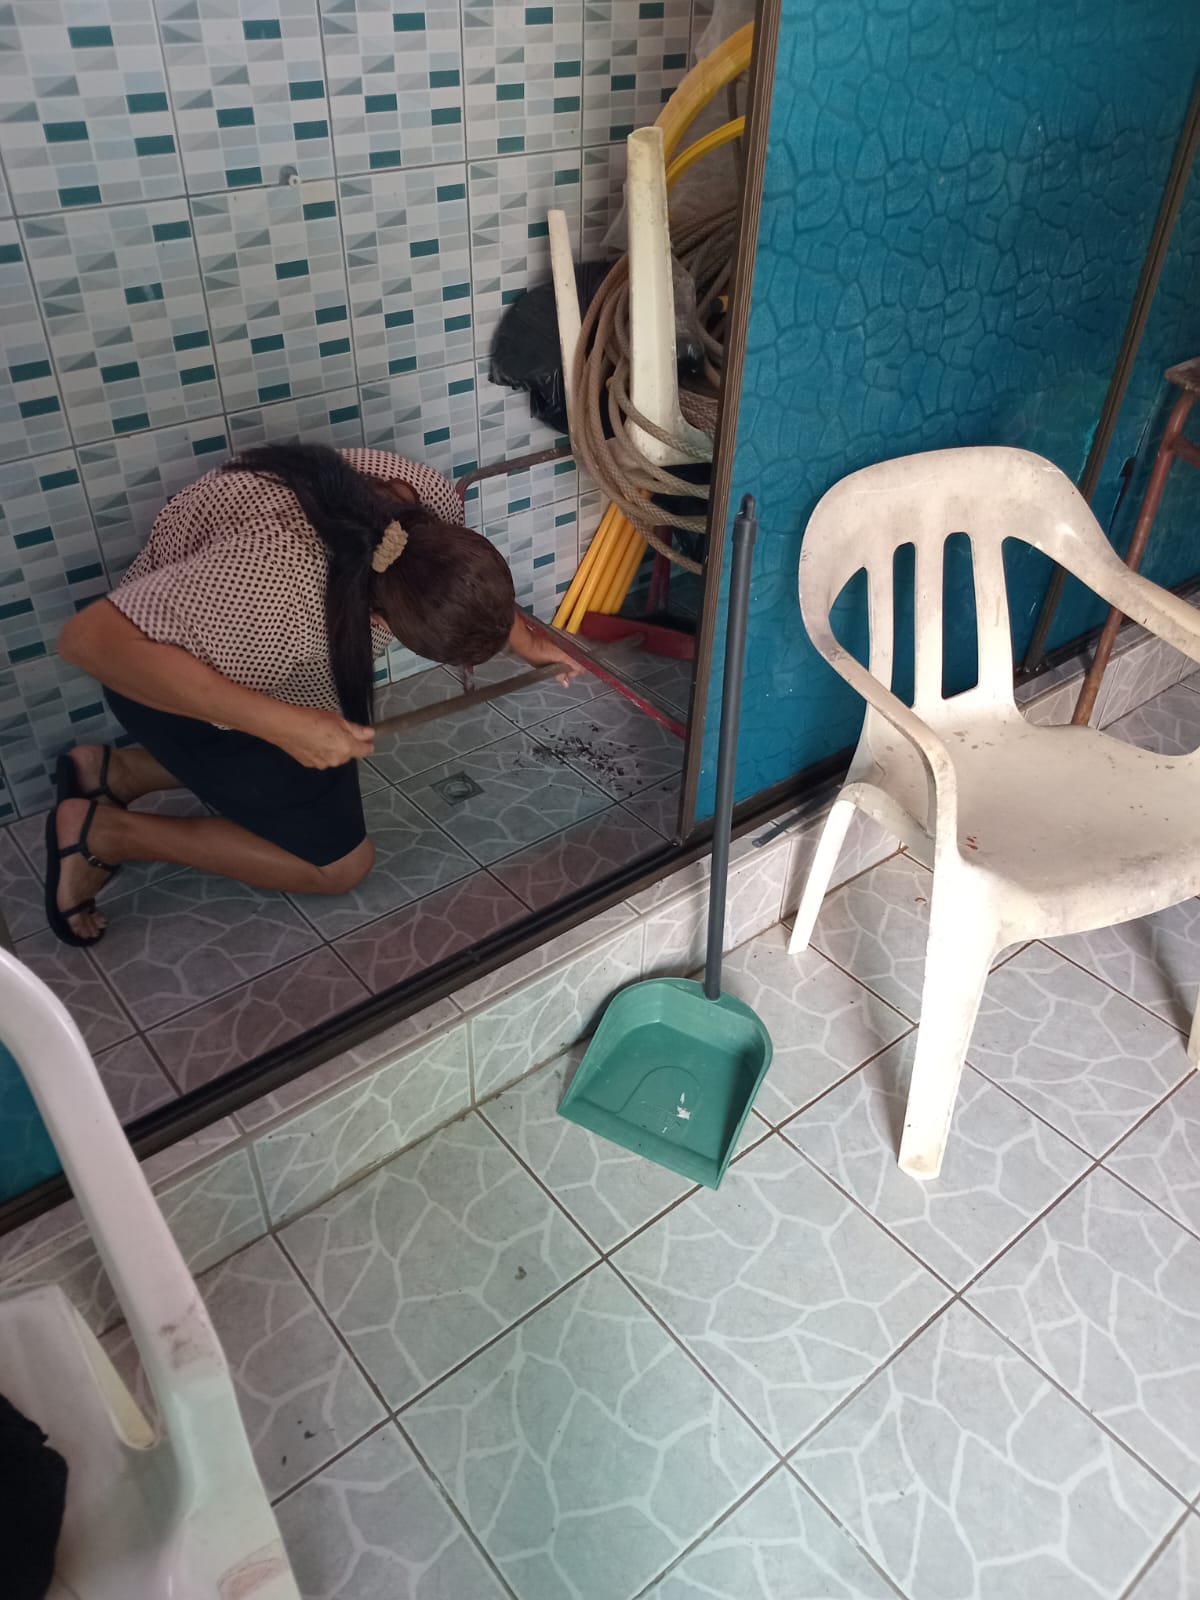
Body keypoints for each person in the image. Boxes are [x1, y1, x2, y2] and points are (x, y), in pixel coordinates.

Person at [47, 442, 578, 946]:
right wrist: (285, 727)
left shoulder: (423, 509)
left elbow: (446, 579)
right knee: (338, 864)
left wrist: (524, 639)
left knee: (319, 764)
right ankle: (104, 834)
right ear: (377, 618)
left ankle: (117, 773)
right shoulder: (277, 579)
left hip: (249, 662)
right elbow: (86, 641)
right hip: (162, 680)